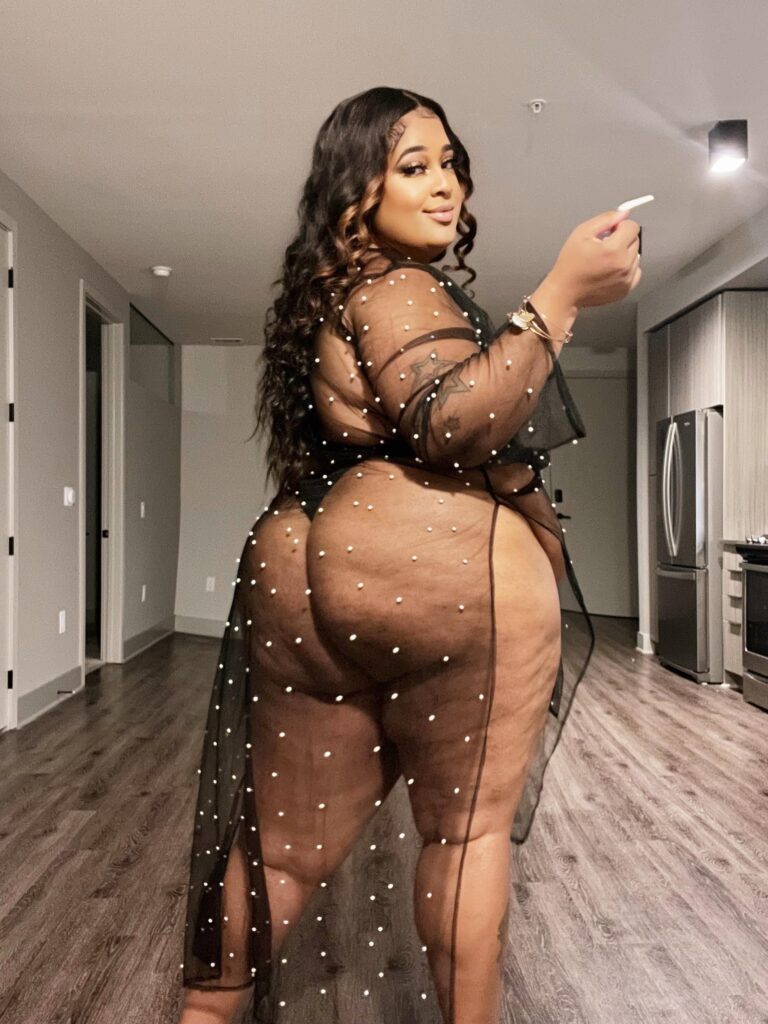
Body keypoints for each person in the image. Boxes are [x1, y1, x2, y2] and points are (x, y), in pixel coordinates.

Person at [178, 86, 641, 1024]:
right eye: (414, 166)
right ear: (360, 190)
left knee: (280, 853)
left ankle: (203, 1015)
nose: (445, 186)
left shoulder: (331, 297)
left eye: (451, 164)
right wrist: (560, 295)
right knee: (465, 837)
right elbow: (448, 422)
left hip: (303, 568)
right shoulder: (397, 286)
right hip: (440, 575)